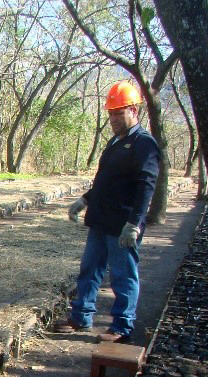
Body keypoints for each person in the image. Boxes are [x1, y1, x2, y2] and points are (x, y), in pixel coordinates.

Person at [56, 80, 161, 343]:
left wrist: (134, 223)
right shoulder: (115, 142)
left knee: (123, 276)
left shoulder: (144, 145)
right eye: (111, 113)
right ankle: (81, 316)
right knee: (89, 270)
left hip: (122, 225)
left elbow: (147, 186)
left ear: (133, 111)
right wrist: (84, 200)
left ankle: (122, 326)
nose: (114, 119)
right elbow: (105, 180)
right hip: (101, 221)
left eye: (119, 113)